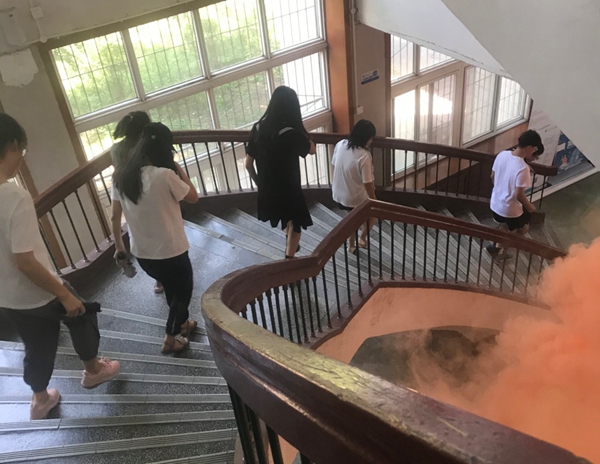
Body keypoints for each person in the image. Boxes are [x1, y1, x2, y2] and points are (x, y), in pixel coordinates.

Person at [0, 113, 120, 420]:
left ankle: (40, 399)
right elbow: (25, 261)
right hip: (39, 290)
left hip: (8, 297)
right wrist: (63, 294)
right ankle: (93, 370)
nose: (21, 157)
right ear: (10, 145)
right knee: (82, 314)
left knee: (36, 345)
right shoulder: (13, 196)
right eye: (20, 150)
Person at [111, 122, 199, 354]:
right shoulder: (165, 175)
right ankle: (170, 337)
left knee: (171, 289)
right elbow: (193, 197)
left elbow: (114, 216)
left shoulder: (121, 176)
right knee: (183, 291)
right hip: (171, 250)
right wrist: (178, 168)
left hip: (143, 253)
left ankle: (182, 324)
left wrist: (119, 247)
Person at [244, 86, 316, 259]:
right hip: (289, 189)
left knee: (286, 217)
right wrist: (302, 131)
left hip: (268, 188)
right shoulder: (291, 134)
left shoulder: (258, 128)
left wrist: (260, 184)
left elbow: (248, 164)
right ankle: (289, 259)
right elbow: (312, 150)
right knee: (296, 224)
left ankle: (289, 244)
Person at [111, 111, 164, 294]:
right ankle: (169, 274)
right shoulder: (149, 145)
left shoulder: (116, 150)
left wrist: (119, 244)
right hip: (155, 198)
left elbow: (114, 216)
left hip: (132, 202)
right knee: (164, 235)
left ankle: (158, 277)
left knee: (144, 238)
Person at [486, 129, 544, 258]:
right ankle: (501, 251)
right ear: (529, 148)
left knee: (503, 226)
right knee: (523, 229)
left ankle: (496, 246)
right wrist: (530, 207)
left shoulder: (502, 154)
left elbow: (492, 176)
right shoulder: (523, 168)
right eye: (535, 148)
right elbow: (519, 195)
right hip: (509, 209)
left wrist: (501, 189)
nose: (534, 151)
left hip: (495, 203)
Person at [331, 119, 378, 254]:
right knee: (373, 216)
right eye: (371, 138)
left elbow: (334, 165)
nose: (371, 141)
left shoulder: (340, 144)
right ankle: (362, 239)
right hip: (353, 198)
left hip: (338, 193)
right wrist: (374, 201)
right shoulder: (364, 156)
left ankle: (351, 246)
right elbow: (367, 183)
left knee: (351, 218)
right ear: (366, 138)